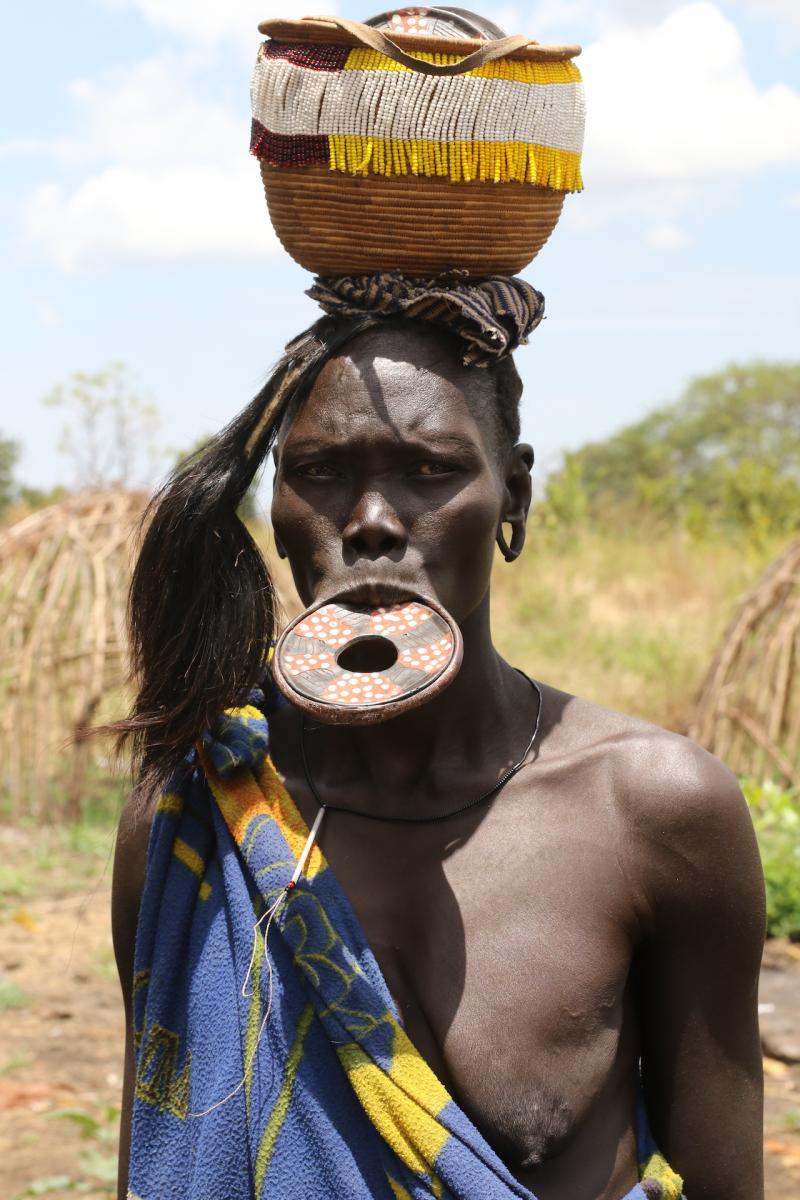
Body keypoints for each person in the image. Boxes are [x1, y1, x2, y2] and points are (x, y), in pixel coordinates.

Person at [112, 298, 766, 1200]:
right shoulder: (200, 815)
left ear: (515, 493)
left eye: (429, 469)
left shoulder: (654, 813)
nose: (373, 519)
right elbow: (160, 1155)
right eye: (321, 471)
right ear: (277, 506)